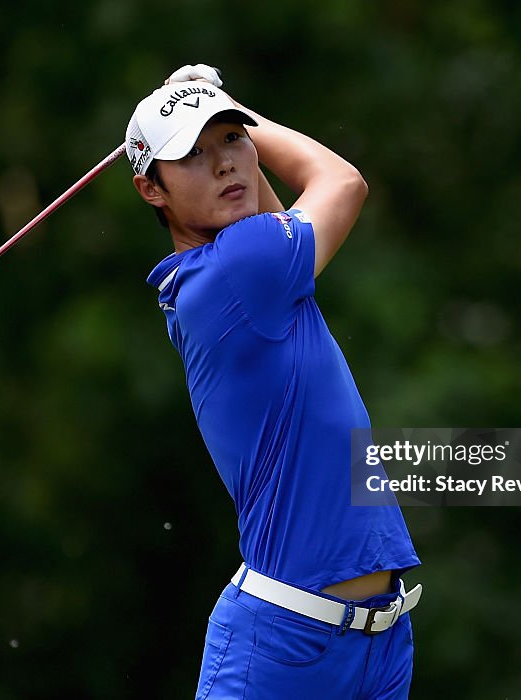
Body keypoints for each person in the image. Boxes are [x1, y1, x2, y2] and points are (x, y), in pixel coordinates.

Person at [126, 64, 421, 699]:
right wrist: (237, 108)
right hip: (285, 648)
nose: (225, 163)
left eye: (231, 140)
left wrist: (209, 111)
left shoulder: (249, 269)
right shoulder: (239, 268)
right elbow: (342, 181)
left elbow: (275, 213)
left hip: (377, 640)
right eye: (194, 156)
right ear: (152, 190)